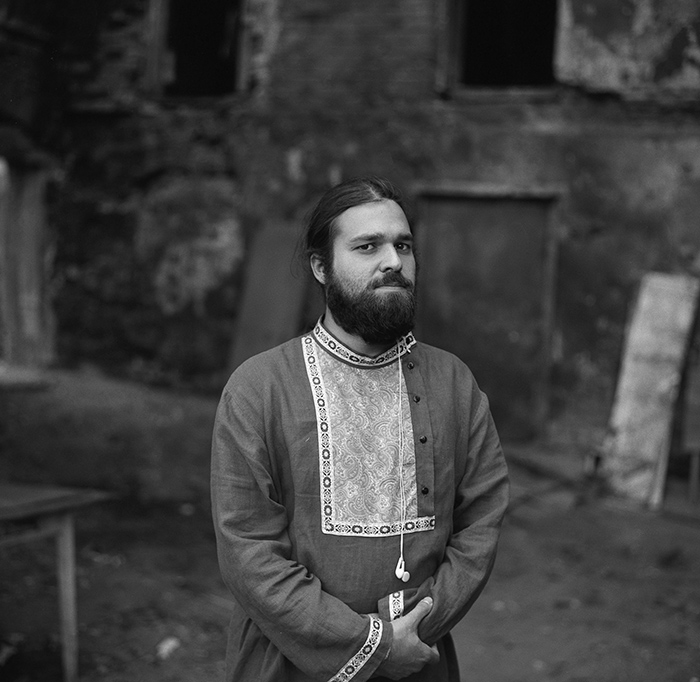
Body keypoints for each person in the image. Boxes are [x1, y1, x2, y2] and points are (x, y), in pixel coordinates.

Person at [211, 176, 509, 681]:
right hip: (289, 663)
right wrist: (371, 646)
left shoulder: (454, 382)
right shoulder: (258, 388)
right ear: (321, 266)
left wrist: (414, 632)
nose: (393, 261)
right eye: (368, 246)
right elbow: (247, 548)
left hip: (421, 659)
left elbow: (482, 519)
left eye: (403, 245)